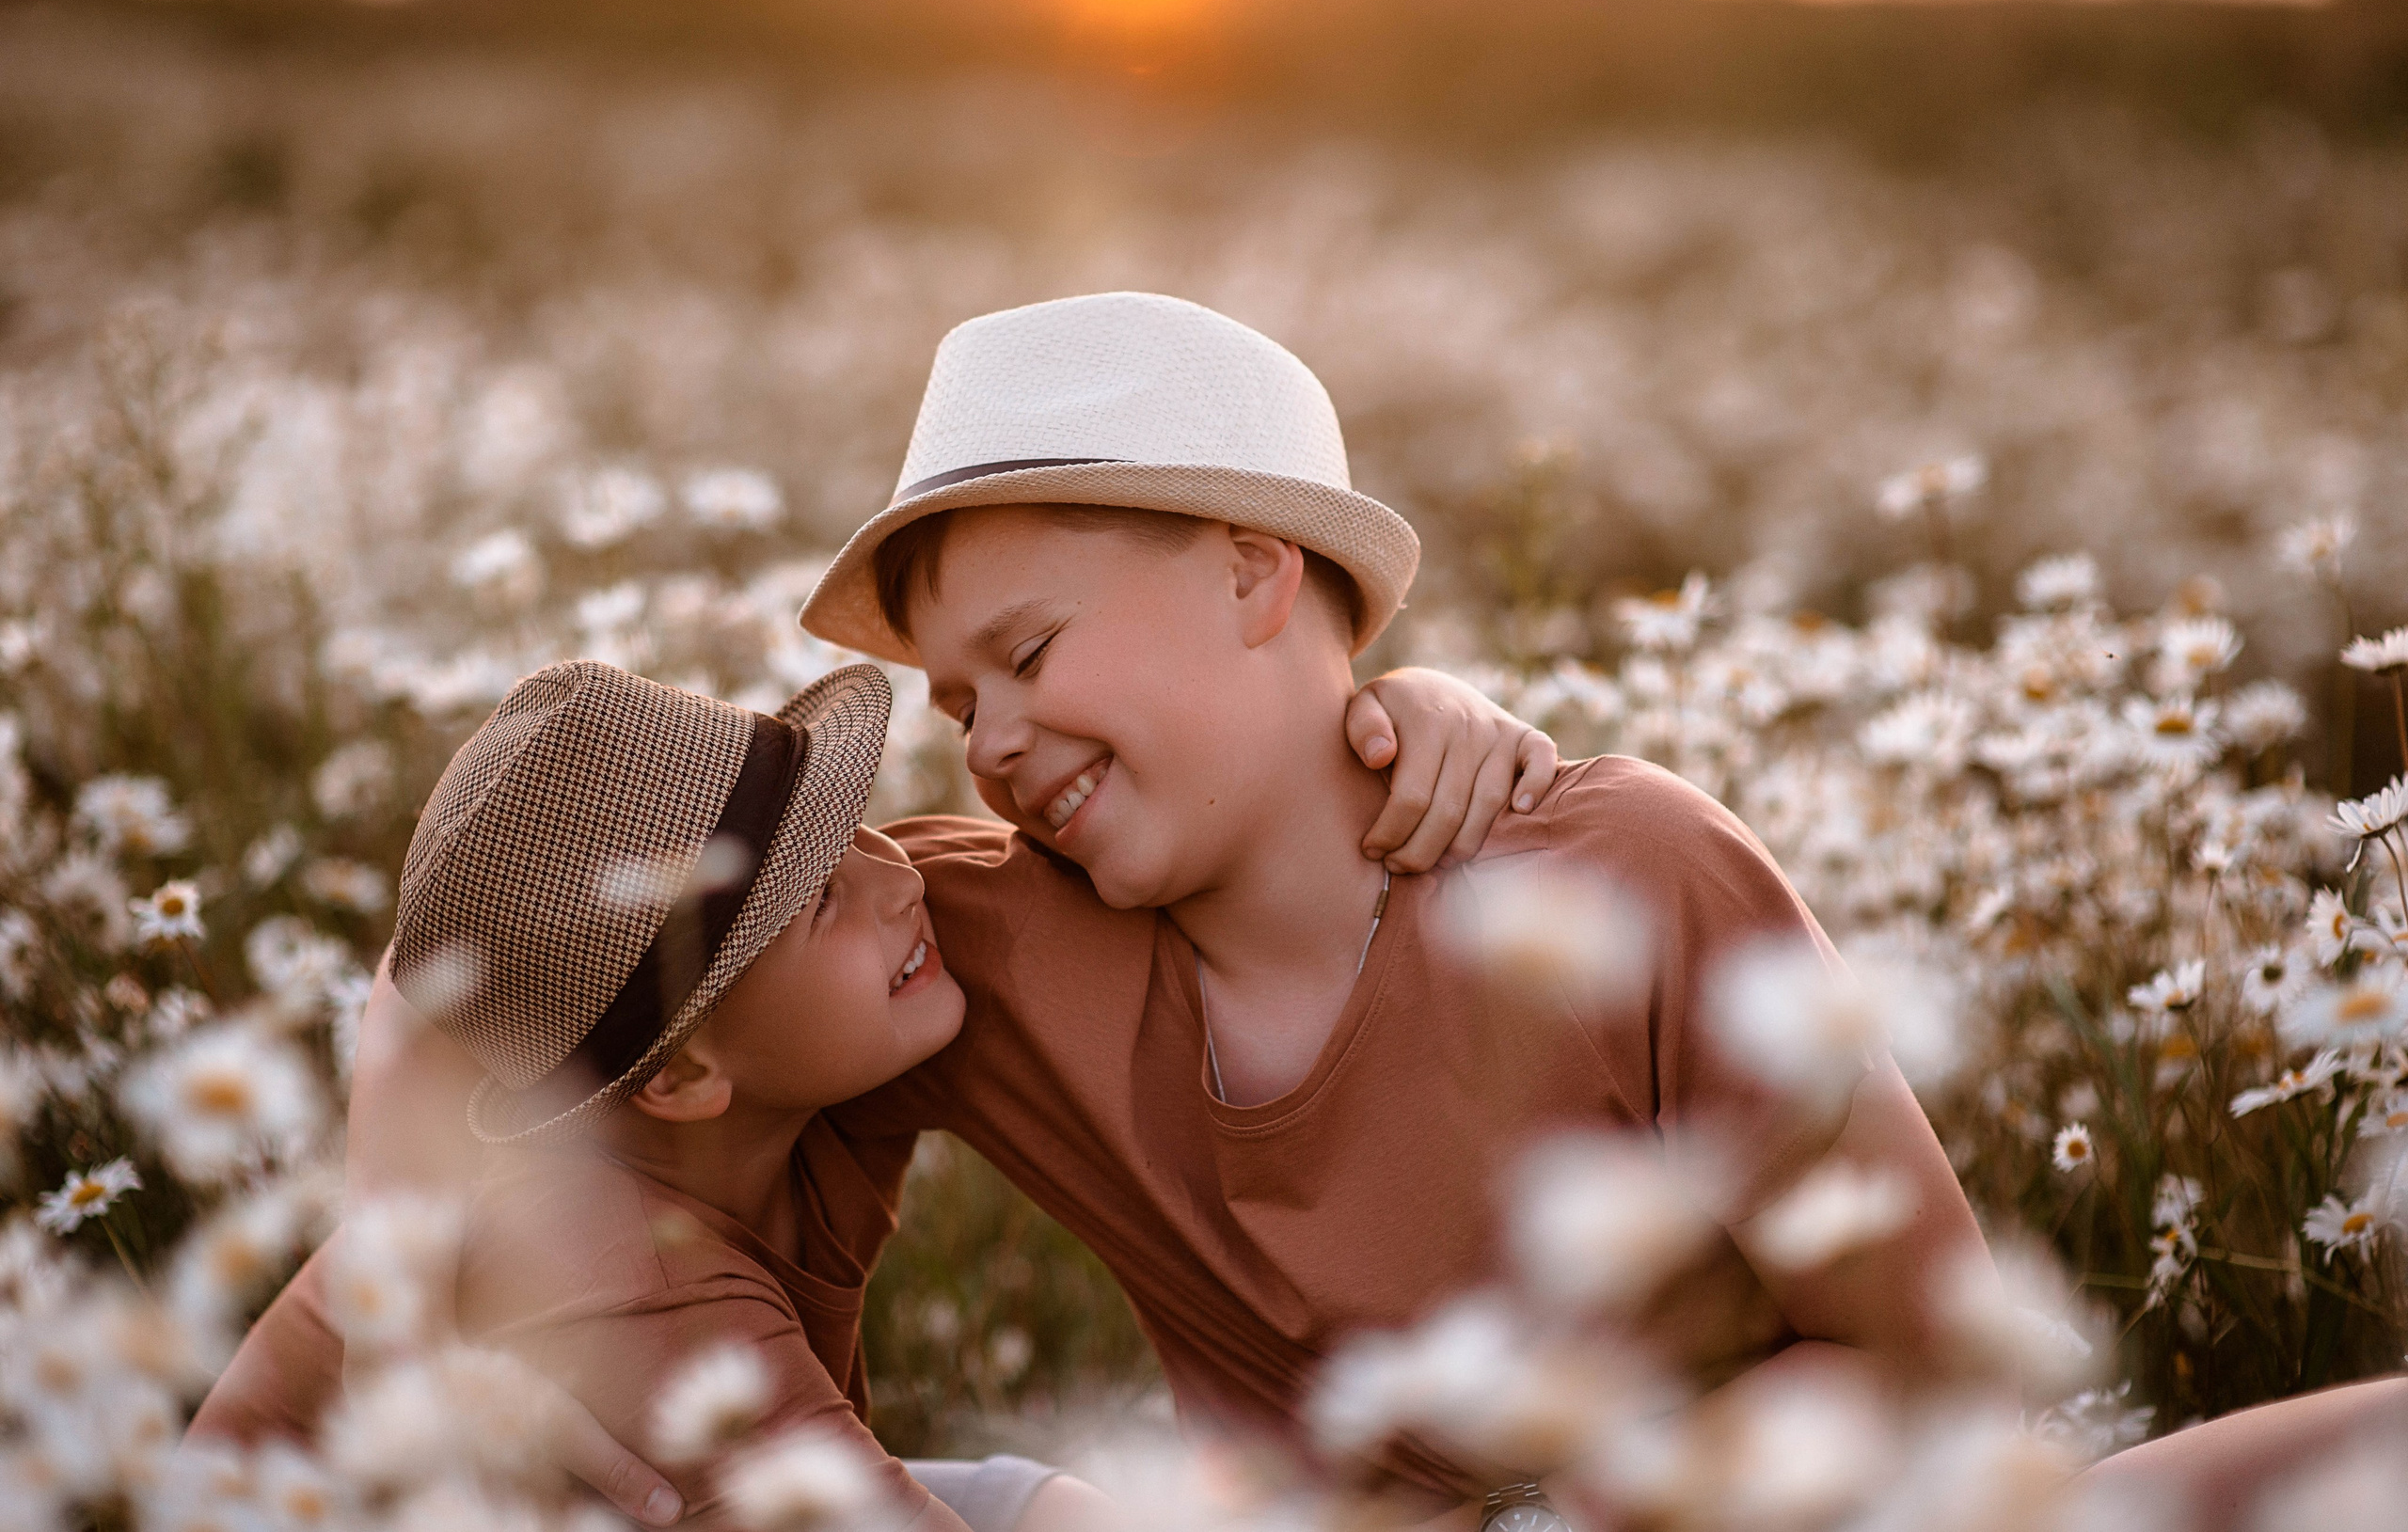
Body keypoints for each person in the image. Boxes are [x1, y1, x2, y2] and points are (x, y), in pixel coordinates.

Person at [351, 293, 1992, 1528]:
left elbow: (1933, 1356)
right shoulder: (963, 940)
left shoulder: (1630, 878)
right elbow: (524, 956)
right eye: (957, 702)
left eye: (1030, 654)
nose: (990, 743)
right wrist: (415, 1268)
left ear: (1253, 570)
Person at [187, 660, 1118, 1532]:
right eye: (823, 898)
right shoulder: (648, 1294)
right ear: (681, 1076)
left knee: (1059, 1509)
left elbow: (411, 973)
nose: (903, 878)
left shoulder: (754, 1062)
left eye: (854, 825)